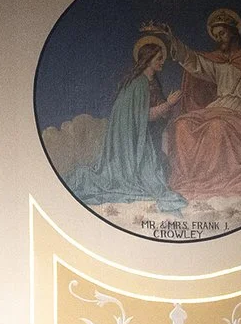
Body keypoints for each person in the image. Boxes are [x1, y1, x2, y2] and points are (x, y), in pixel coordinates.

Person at [151, 9, 241, 202]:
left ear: (233, 32)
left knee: (217, 126)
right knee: (182, 124)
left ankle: (215, 182)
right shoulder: (218, 62)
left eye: (222, 33)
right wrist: (171, 39)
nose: (219, 39)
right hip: (221, 105)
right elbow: (195, 62)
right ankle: (189, 180)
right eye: (216, 36)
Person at [68, 33, 186, 210]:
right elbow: (142, 116)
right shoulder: (138, 84)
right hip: (131, 141)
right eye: (159, 58)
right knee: (149, 177)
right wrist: (168, 104)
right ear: (148, 60)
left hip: (146, 136)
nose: (163, 61)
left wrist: (167, 107)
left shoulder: (152, 82)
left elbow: (154, 114)